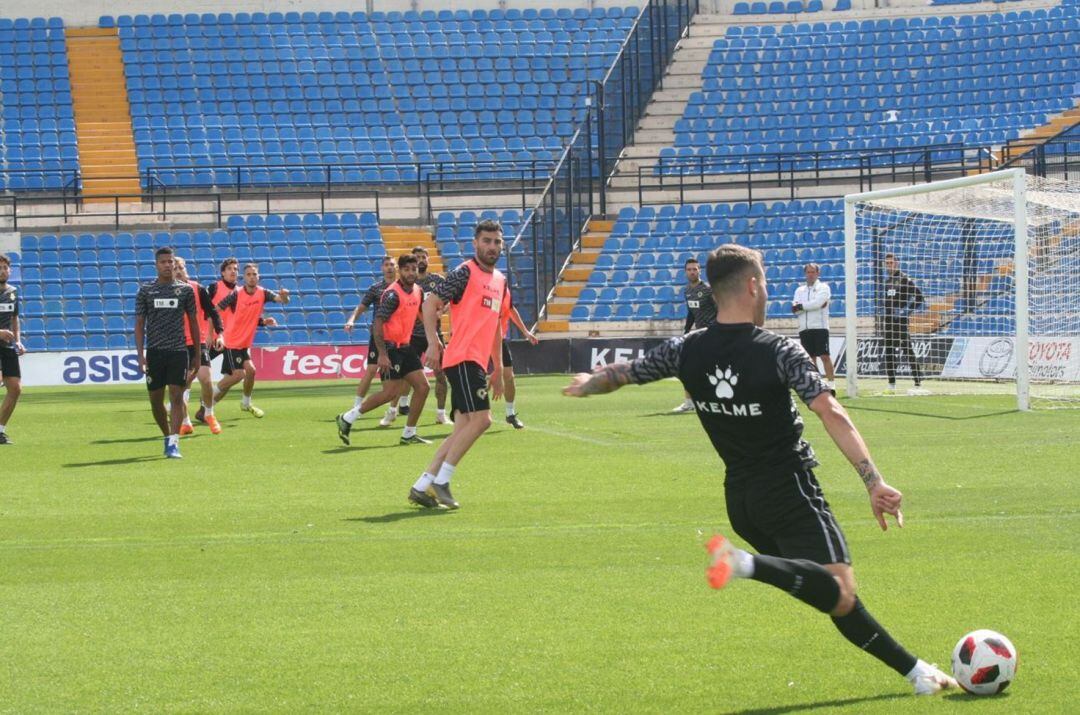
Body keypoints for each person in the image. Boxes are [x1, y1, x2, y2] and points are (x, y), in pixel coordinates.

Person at [563, 244, 957, 697]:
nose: (767, 290)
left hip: (742, 501)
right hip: (789, 490)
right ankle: (745, 564)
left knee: (832, 596)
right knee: (837, 591)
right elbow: (832, 412)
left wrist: (590, 384)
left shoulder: (685, 349)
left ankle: (917, 674)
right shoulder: (779, 350)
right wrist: (873, 480)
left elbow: (628, 372)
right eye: (765, 282)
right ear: (752, 286)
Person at [407, 219, 508, 510]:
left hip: (476, 361)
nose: (492, 246)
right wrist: (431, 342)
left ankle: (422, 484)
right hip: (462, 357)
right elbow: (429, 304)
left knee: (462, 427)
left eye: (497, 242)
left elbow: (495, 326)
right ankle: (443, 480)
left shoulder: (500, 280)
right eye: (486, 241)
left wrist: (498, 367)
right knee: (483, 420)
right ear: (475, 243)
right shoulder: (465, 272)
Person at [336, 254, 432, 446]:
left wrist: (434, 339)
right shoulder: (392, 294)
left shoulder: (418, 291)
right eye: (407, 269)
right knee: (390, 393)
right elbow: (378, 323)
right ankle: (347, 417)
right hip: (390, 348)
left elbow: (421, 314)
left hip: (405, 346)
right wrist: (382, 354)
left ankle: (408, 434)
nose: (411, 273)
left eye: (414, 269)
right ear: (400, 271)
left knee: (423, 387)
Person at [134, 247, 199, 459]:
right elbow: (139, 324)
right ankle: (167, 436)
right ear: (156, 264)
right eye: (163, 262)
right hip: (155, 352)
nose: (168, 265)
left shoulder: (185, 290)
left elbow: (194, 322)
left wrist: (197, 355)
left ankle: (174, 441)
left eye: (171, 261)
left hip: (178, 351)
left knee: (177, 396)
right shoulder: (146, 291)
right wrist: (140, 354)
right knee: (155, 400)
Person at [380, 246, 454, 427]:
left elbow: (450, 299)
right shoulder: (408, 284)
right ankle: (392, 410)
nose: (421, 260)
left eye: (424, 257)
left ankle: (441, 413)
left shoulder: (437, 280)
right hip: (411, 335)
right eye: (418, 257)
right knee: (405, 377)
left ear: (428, 260)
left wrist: (441, 311)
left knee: (441, 374)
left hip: (432, 333)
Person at [212, 263, 289, 413]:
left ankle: (245, 403)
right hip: (232, 341)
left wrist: (284, 296)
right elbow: (216, 310)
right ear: (244, 277)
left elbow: (282, 300)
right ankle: (208, 398)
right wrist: (218, 331)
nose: (252, 277)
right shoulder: (236, 294)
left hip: (244, 343)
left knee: (251, 371)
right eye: (248, 274)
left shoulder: (263, 292)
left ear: (258, 276)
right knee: (238, 374)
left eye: (254, 274)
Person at [173, 257, 225, 435]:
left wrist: (219, 334)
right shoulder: (164, 292)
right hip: (176, 345)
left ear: (186, 269)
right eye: (175, 268)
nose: (178, 270)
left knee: (205, 379)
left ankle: (209, 414)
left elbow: (213, 312)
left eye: (181, 267)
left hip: (197, 342)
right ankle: (186, 422)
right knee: (180, 388)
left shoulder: (198, 288)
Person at [344, 256, 396, 417]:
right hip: (379, 335)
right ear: (382, 268)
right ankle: (357, 405)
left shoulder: (403, 288)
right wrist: (351, 320)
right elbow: (361, 307)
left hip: (397, 336)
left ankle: (396, 408)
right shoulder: (376, 288)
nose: (389, 268)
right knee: (372, 369)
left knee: (400, 374)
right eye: (386, 265)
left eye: (392, 265)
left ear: (397, 268)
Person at [673, 257, 717, 413]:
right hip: (698, 334)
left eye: (695, 269)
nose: (692, 272)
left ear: (700, 270)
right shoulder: (687, 291)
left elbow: (720, 310)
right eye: (689, 269)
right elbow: (691, 313)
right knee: (687, 367)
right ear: (685, 272)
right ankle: (690, 401)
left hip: (713, 334)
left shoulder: (707, 289)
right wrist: (686, 331)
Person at [881, 254, 927, 395]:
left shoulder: (905, 279)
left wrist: (906, 310)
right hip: (888, 320)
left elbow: (919, 297)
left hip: (900, 321)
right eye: (887, 263)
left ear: (897, 263)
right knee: (889, 350)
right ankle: (891, 384)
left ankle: (918, 381)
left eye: (891, 263)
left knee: (906, 349)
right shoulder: (887, 281)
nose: (889, 265)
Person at [792, 262, 836, 394]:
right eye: (808, 272)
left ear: (818, 273)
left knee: (824, 356)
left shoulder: (824, 287)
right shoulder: (799, 290)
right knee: (810, 358)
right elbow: (794, 308)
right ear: (805, 274)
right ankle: (819, 384)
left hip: (819, 327)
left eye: (813, 272)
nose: (810, 275)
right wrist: (808, 306)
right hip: (804, 328)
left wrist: (802, 306)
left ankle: (832, 385)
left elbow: (817, 303)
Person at [500, 291, 539, 429]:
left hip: (499, 339)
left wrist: (526, 332)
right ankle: (464, 414)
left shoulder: (503, 288)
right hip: (479, 338)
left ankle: (510, 414)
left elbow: (510, 309)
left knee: (509, 377)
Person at [0, 254, 25, 445]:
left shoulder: (13, 292)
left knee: (15, 389)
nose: (3, 271)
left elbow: (15, 319)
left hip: (7, 347)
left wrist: (18, 341)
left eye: (5, 268)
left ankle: (0, 430)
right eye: (0, 268)